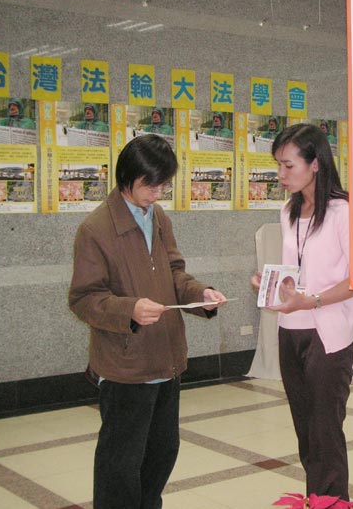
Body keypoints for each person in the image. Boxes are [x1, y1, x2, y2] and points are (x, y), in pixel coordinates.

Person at [68, 134, 227, 509]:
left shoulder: (159, 218)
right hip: (126, 366)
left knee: (161, 453)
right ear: (127, 176)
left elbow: (175, 274)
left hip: (165, 359)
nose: (157, 194)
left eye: (163, 185)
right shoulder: (96, 229)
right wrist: (130, 310)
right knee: (120, 466)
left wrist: (201, 294)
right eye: (150, 185)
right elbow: (83, 298)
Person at [251, 124, 353, 502]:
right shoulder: (288, 211)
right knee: (306, 433)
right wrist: (271, 283)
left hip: (328, 334)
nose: (281, 174)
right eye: (278, 165)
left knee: (325, 433)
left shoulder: (344, 212)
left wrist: (310, 301)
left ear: (315, 163)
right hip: (290, 329)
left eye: (288, 165)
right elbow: (296, 272)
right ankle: (318, 500)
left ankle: (331, 502)